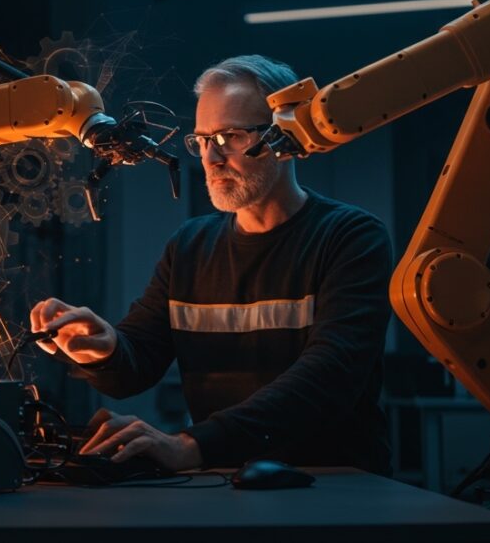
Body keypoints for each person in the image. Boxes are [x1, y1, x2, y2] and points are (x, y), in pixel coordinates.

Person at [31, 55, 393, 474]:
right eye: (203, 140)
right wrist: (102, 347)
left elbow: (328, 380)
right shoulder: (190, 247)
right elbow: (134, 366)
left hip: (336, 489)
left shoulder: (351, 238)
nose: (211, 158)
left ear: (287, 138)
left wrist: (192, 445)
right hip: (227, 484)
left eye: (230, 137)